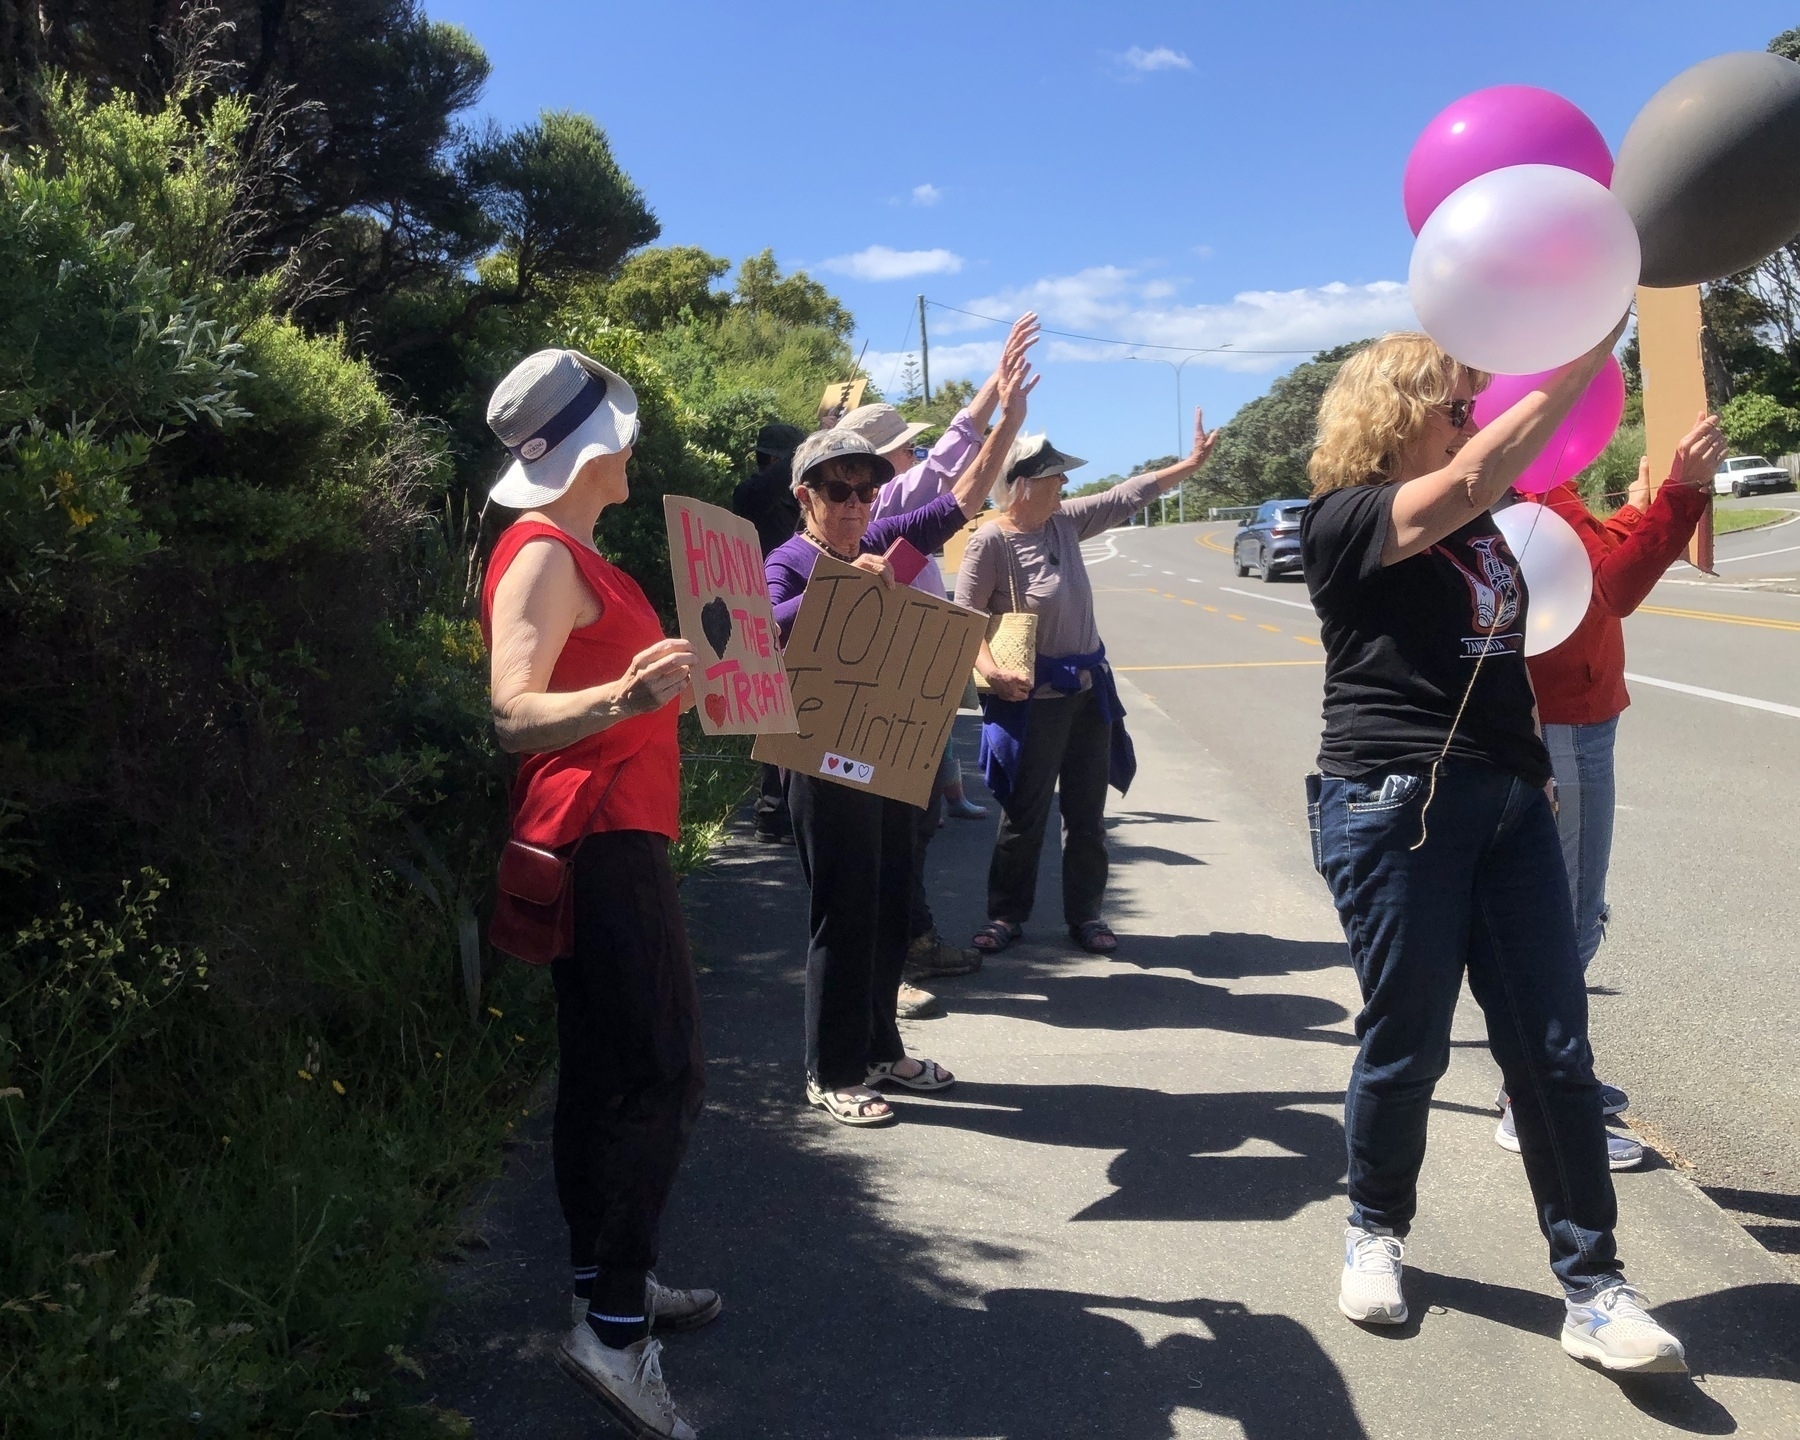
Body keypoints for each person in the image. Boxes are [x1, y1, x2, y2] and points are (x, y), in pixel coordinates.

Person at [1301, 327, 1688, 1374]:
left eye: (1473, 404)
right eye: (1452, 402)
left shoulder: (1486, 535)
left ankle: (1596, 1289)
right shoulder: (1343, 521)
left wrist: (1531, 766)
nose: (1470, 415)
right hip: (1394, 807)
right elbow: (1472, 477)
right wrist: (1577, 363)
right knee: (1408, 1042)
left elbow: (1509, 649)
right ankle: (1374, 1228)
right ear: (1393, 414)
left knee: (1554, 1052)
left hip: (1511, 802)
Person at [480, 348, 716, 1439]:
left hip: (621, 834)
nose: (634, 447)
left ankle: (605, 1283)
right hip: (600, 840)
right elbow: (513, 714)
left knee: (608, 1073)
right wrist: (623, 691)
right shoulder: (540, 552)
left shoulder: (579, 549)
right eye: (620, 434)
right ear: (592, 452)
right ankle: (616, 1332)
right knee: (658, 1072)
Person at [766, 347, 1035, 1126]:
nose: (855, 504)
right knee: (842, 914)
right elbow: (758, 629)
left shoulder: (885, 542)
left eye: (865, 489)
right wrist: (851, 591)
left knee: (888, 907)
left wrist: (1005, 418)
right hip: (820, 763)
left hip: (889, 752)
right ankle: (832, 1068)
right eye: (837, 491)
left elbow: (960, 498)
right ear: (805, 495)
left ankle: (882, 1047)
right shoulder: (786, 560)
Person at [1494, 419, 1722, 1160]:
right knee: (1570, 919)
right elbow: (1613, 588)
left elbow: (1587, 565)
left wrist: (1635, 505)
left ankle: (1542, 1082)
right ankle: (1537, 1099)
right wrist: (1679, 496)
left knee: (1562, 909)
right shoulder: (1528, 492)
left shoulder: (1524, 486)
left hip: (1565, 715)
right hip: (1567, 721)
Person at [955, 411, 1219, 956]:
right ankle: (1005, 915)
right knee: (1024, 816)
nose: (1066, 485)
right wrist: (992, 671)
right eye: (1056, 477)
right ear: (1024, 485)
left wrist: (1188, 466)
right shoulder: (991, 542)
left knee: (1087, 815)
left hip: (1086, 695)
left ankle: (1087, 916)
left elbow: (1126, 495)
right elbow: (964, 621)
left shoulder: (1064, 521)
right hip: (1032, 700)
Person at [837, 314, 1043, 1001]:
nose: (911, 457)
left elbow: (953, 457)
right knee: (893, 831)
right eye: (901, 450)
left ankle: (909, 943)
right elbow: (956, 465)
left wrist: (994, 390)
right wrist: (997, 395)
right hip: (888, 685)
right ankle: (891, 963)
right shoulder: (887, 502)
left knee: (916, 822)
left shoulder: (889, 500)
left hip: (913, 677)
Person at [734, 420, 808, 846]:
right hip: (764, 615)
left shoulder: (788, 504)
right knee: (774, 710)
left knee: (793, 707)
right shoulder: (752, 495)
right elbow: (755, 495)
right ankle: (772, 812)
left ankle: (784, 808)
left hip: (794, 611)